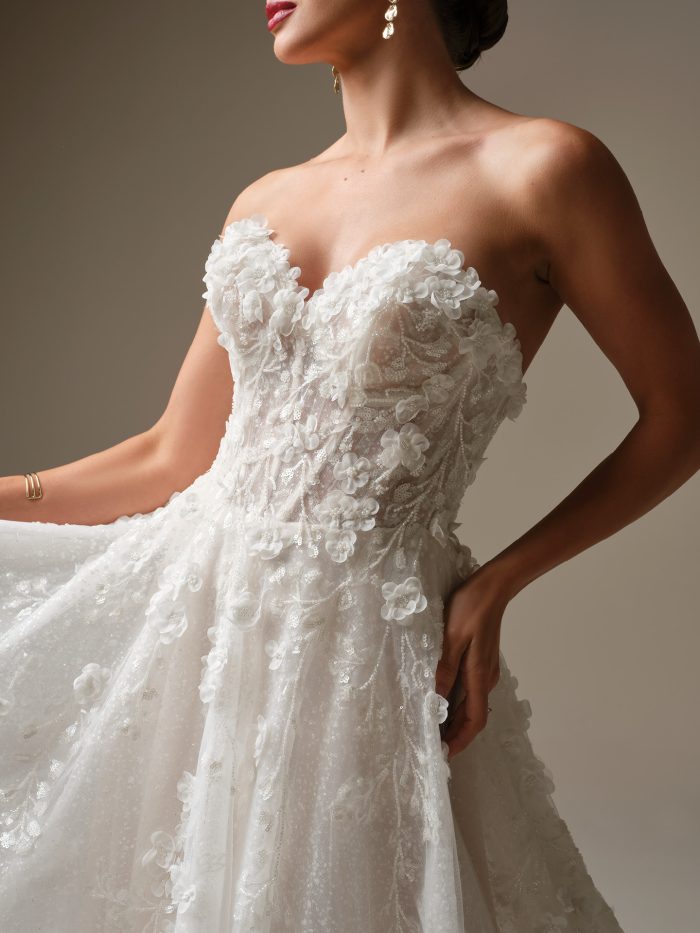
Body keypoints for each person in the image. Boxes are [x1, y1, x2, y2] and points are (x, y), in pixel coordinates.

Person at [1, 1, 698, 931]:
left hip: (369, 640)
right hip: (200, 628)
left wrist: (497, 584)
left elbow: (684, 414)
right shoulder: (265, 200)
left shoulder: (546, 169)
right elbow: (172, 455)